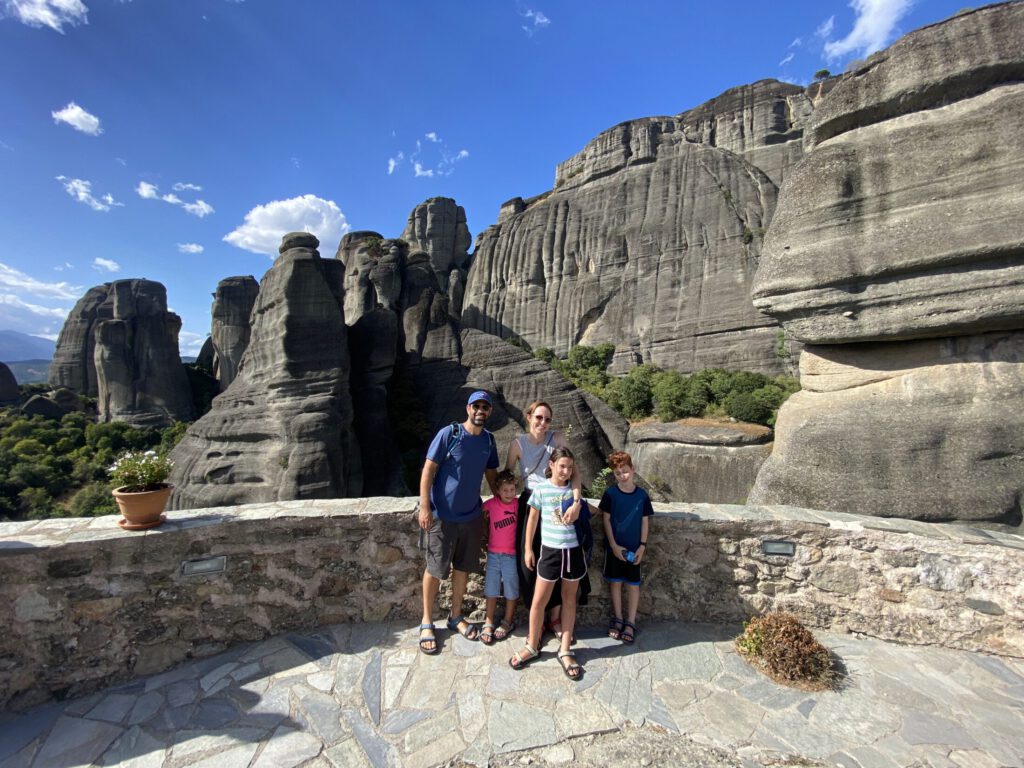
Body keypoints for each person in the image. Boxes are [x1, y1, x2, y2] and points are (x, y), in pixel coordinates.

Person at [417, 390, 500, 654]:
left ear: (489, 412)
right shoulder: (450, 434)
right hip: (442, 516)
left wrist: (505, 503)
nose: (480, 411)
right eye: (476, 406)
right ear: (468, 408)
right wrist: (425, 507)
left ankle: (455, 617)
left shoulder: (488, 441)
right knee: (434, 569)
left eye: (485, 407)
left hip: (472, 516)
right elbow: (428, 469)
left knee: (462, 568)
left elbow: (492, 477)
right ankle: (427, 621)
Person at [505, 400, 583, 639]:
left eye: (547, 419)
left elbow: (575, 472)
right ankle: (536, 620)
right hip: (531, 503)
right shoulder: (517, 444)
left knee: (559, 562)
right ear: (529, 417)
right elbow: (508, 477)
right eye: (538, 417)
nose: (543, 423)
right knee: (530, 563)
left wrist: (577, 502)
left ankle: (555, 618)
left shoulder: (557, 438)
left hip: (558, 502)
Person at [509, 447, 586, 680]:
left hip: (572, 552)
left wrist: (576, 503)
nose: (566, 471)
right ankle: (532, 645)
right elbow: (532, 519)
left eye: (569, 467)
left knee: (569, 600)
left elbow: (577, 481)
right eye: (561, 466)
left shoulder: (573, 492)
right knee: (538, 602)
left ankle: (565, 650)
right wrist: (527, 548)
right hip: (550, 553)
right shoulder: (541, 489)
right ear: (551, 465)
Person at [599, 451, 653, 645]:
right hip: (615, 548)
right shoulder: (610, 494)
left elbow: (645, 522)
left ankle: (631, 621)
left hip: (634, 549)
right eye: (618, 473)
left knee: (633, 585)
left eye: (625, 471)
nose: (622, 476)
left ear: (633, 470)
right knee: (615, 583)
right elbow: (605, 519)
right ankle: (618, 618)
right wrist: (613, 545)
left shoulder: (642, 495)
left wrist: (642, 547)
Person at [480, 469, 520, 645]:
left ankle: (507, 620)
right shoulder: (491, 504)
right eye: (505, 490)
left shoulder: (519, 505)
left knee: (511, 588)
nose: (509, 494)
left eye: (512, 489)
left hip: (511, 555)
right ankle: (488, 621)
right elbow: (480, 514)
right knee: (491, 588)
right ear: (498, 491)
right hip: (494, 554)